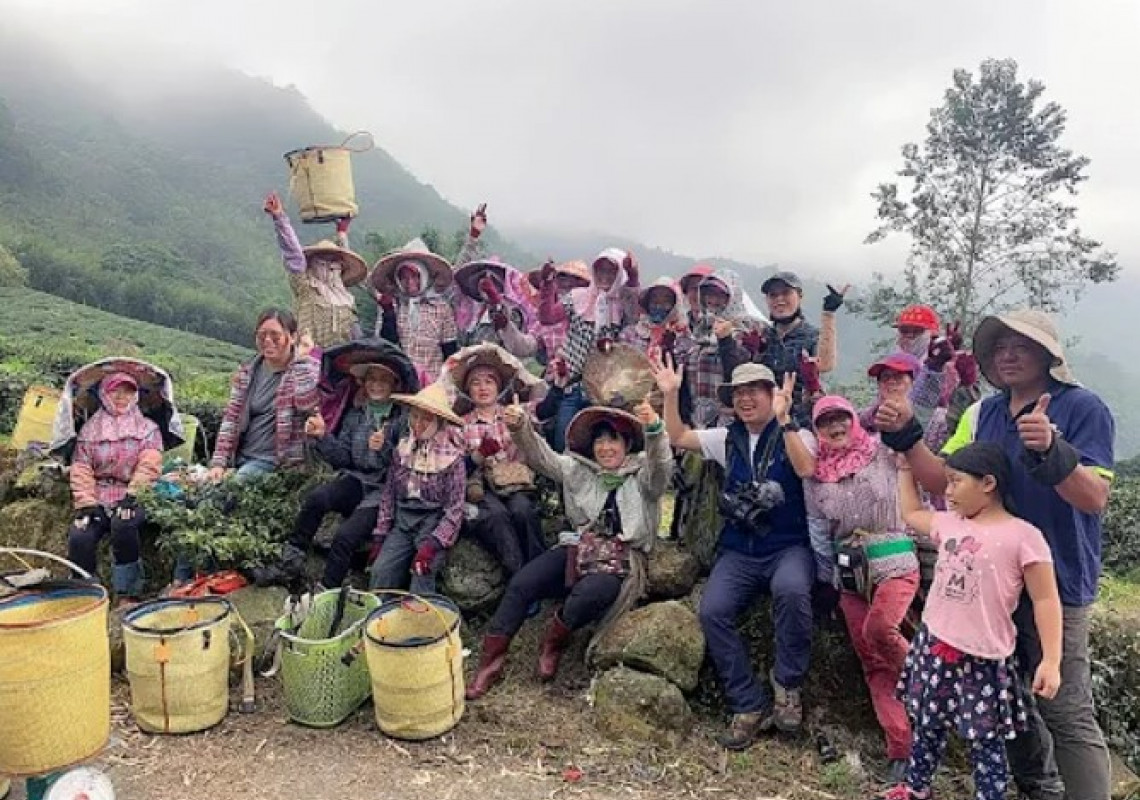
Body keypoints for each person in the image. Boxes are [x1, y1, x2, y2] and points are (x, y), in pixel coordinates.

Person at [879, 309, 1114, 800]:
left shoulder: (1084, 409)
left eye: (1021, 344)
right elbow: (946, 480)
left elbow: (1094, 498)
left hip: (1058, 580)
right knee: (1008, 695)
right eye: (999, 346)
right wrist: (905, 436)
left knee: (1066, 708)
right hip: (987, 589)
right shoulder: (982, 413)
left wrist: (1054, 450)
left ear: (1049, 354)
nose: (1008, 353)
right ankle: (1037, 786)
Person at [653, 355, 817, 747]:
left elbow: (807, 467)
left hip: (787, 546)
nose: (745, 400)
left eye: (754, 391)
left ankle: (787, 684)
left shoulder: (797, 433)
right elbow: (678, 437)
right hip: (740, 548)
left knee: (792, 591)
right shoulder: (727, 437)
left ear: (771, 394)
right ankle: (747, 701)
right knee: (712, 610)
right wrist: (671, 395)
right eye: (739, 393)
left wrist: (786, 419)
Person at [889, 441, 1063, 800]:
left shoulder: (1024, 537)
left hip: (983, 658)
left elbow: (1046, 600)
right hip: (935, 643)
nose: (948, 492)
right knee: (927, 723)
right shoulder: (951, 523)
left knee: (985, 740)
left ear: (988, 483)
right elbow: (910, 512)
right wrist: (905, 470)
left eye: (955, 482)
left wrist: (1052, 660)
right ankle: (916, 787)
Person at [465, 399, 671, 700]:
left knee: (592, 590)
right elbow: (541, 458)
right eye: (599, 441)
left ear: (627, 444)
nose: (605, 448)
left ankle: (554, 640)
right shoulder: (578, 470)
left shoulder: (644, 478)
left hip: (620, 559)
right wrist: (520, 426)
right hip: (580, 547)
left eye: (613, 440)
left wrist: (654, 430)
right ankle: (489, 663)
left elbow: (661, 464)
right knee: (523, 583)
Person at [804, 395, 919, 784]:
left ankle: (934, 689)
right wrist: (826, 580)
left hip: (895, 563)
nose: (835, 428)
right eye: (825, 423)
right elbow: (819, 531)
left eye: (841, 419)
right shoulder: (818, 475)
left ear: (854, 420)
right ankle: (902, 749)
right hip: (849, 577)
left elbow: (919, 422)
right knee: (873, 662)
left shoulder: (883, 451)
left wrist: (934, 368)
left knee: (880, 629)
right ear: (817, 431)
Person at [257, 360, 408, 589]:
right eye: (371, 379)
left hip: (384, 491)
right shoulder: (356, 415)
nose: (376, 385)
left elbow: (407, 465)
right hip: (356, 480)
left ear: (395, 384)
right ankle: (290, 562)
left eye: (383, 380)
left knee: (346, 536)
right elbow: (343, 458)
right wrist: (322, 435)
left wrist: (386, 448)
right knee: (317, 498)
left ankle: (326, 594)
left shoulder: (403, 419)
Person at [66, 372, 163, 606]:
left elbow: (149, 465)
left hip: (133, 493)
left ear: (136, 395)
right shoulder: (89, 431)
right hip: (98, 494)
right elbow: (81, 468)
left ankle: (128, 592)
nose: (121, 397)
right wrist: (86, 504)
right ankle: (84, 593)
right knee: (80, 535)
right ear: (103, 394)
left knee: (124, 524)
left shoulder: (148, 429)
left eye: (128, 391)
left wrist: (132, 497)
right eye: (115, 391)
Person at [449, 345, 546, 576]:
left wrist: (521, 426)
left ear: (499, 386)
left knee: (523, 511)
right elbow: (454, 470)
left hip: (515, 480)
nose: (483, 388)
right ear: (467, 390)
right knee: (496, 516)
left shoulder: (514, 413)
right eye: (476, 383)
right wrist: (477, 456)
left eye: (489, 381)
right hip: (481, 488)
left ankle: (540, 571)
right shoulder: (460, 424)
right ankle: (519, 576)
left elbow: (541, 431)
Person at [368, 382, 466, 594]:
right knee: (380, 571)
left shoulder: (453, 459)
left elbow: (455, 510)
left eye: (427, 418)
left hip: (433, 522)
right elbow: (389, 494)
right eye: (415, 416)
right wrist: (380, 535)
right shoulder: (403, 449)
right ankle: (379, 622)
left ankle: (419, 625)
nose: (418, 424)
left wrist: (432, 545)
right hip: (403, 520)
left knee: (422, 574)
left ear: (439, 422)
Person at [207, 308, 320, 482]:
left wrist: (301, 360)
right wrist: (218, 463)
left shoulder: (307, 368)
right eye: (262, 335)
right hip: (242, 457)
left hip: (275, 462)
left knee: (231, 489)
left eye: (275, 335)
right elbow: (231, 418)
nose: (268, 340)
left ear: (292, 337)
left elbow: (309, 405)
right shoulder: (248, 372)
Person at [551, 248, 640, 450]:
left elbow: (634, 308)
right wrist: (548, 285)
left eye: (611, 272)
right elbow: (547, 317)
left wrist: (633, 274)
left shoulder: (622, 305)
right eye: (601, 271)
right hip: (572, 385)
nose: (605, 277)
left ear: (619, 276)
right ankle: (560, 480)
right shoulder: (578, 297)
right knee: (563, 440)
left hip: (603, 390)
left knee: (599, 442)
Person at [263, 191, 367, 348]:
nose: (329, 265)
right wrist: (279, 218)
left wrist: (342, 232)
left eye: (333, 261)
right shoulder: (306, 287)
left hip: (341, 362)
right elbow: (293, 253)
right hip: (308, 360)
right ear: (313, 263)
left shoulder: (344, 296)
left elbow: (356, 335)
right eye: (323, 260)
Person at [748, 271, 842, 426]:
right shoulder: (763, 335)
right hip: (764, 418)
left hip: (800, 419)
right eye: (773, 295)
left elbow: (825, 364)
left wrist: (829, 314)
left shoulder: (810, 335)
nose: (779, 299)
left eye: (786, 293)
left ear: (799, 296)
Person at [371, 239, 458, 383]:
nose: (409, 281)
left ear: (424, 276)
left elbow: (449, 350)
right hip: (399, 381)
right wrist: (388, 312)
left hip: (432, 383)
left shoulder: (441, 308)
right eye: (403, 277)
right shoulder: (392, 304)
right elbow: (386, 346)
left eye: (415, 276)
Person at [622, 277, 693, 365]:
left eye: (666, 301)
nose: (659, 306)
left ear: (675, 305)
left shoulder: (684, 337)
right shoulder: (630, 334)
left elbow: (685, 368)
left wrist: (669, 348)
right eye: (655, 300)